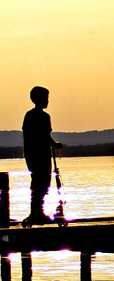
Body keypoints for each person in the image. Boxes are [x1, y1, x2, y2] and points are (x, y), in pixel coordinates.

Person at [22, 86, 62, 224]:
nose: (47, 101)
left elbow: (45, 136)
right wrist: (53, 144)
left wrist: (54, 144)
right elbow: (43, 136)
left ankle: (38, 212)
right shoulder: (39, 117)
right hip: (37, 155)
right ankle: (36, 213)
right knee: (40, 182)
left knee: (42, 182)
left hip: (37, 154)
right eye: (46, 98)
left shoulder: (36, 116)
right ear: (38, 99)